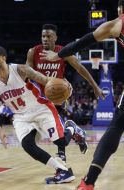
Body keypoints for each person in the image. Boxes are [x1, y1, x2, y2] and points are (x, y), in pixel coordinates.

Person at [40, 0, 124, 189]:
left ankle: (89, 181)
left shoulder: (117, 23)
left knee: (116, 127)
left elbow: (84, 41)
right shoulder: (33, 53)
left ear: (120, 9)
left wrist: (59, 55)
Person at [0, 45, 79, 184]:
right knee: (28, 146)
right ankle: (63, 171)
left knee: (61, 141)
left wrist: (63, 86)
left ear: (3, 58)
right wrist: (0, 129)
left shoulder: (20, 70)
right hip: (20, 117)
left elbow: (45, 80)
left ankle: (71, 127)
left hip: (41, 108)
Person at [26, 24, 104, 161]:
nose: (45, 39)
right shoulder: (33, 52)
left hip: (57, 93)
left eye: (48, 36)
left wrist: (95, 86)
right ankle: (74, 130)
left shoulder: (62, 52)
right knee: (37, 133)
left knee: (58, 125)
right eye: (43, 36)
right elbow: (26, 73)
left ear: (55, 38)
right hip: (39, 96)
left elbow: (80, 68)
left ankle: (61, 154)